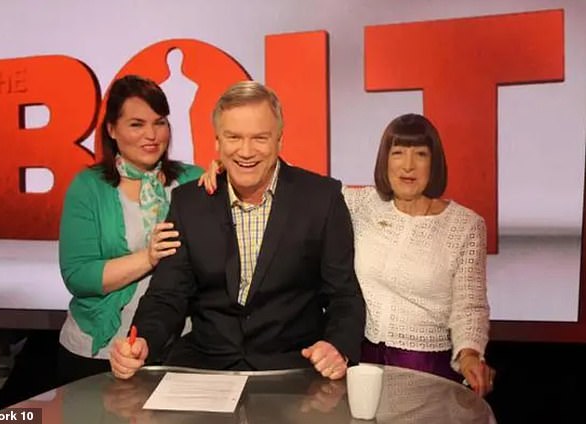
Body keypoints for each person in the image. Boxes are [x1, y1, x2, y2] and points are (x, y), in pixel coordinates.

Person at [199, 113, 494, 396]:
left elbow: (470, 306)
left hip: (426, 367)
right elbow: (297, 183)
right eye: (398, 153)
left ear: (435, 162)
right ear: (384, 160)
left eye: (420, 155)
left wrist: (469, 354)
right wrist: (236, 167)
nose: (408, 166)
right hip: (359, 364)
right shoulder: (360, 203)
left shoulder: (465, 225)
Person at [109, 81, 365, 380]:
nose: (246, 151)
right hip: (205, 369)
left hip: (292, 373)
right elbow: (167, 295)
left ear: (279, 141)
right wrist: (143, 342)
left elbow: (344, 295)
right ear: (217, 142)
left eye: (260, 138)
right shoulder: (190, 202)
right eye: (233, 137)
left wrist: (338, 347)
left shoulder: (322, 198)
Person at [57, 75, 203, 385]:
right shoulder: (88, 187)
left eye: (159, 122)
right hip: (102, 352)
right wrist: (148, 258)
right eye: (137, 124)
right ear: (112, 129)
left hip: (182, 349)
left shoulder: (195, 180)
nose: (152, 135)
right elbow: (78, 276)